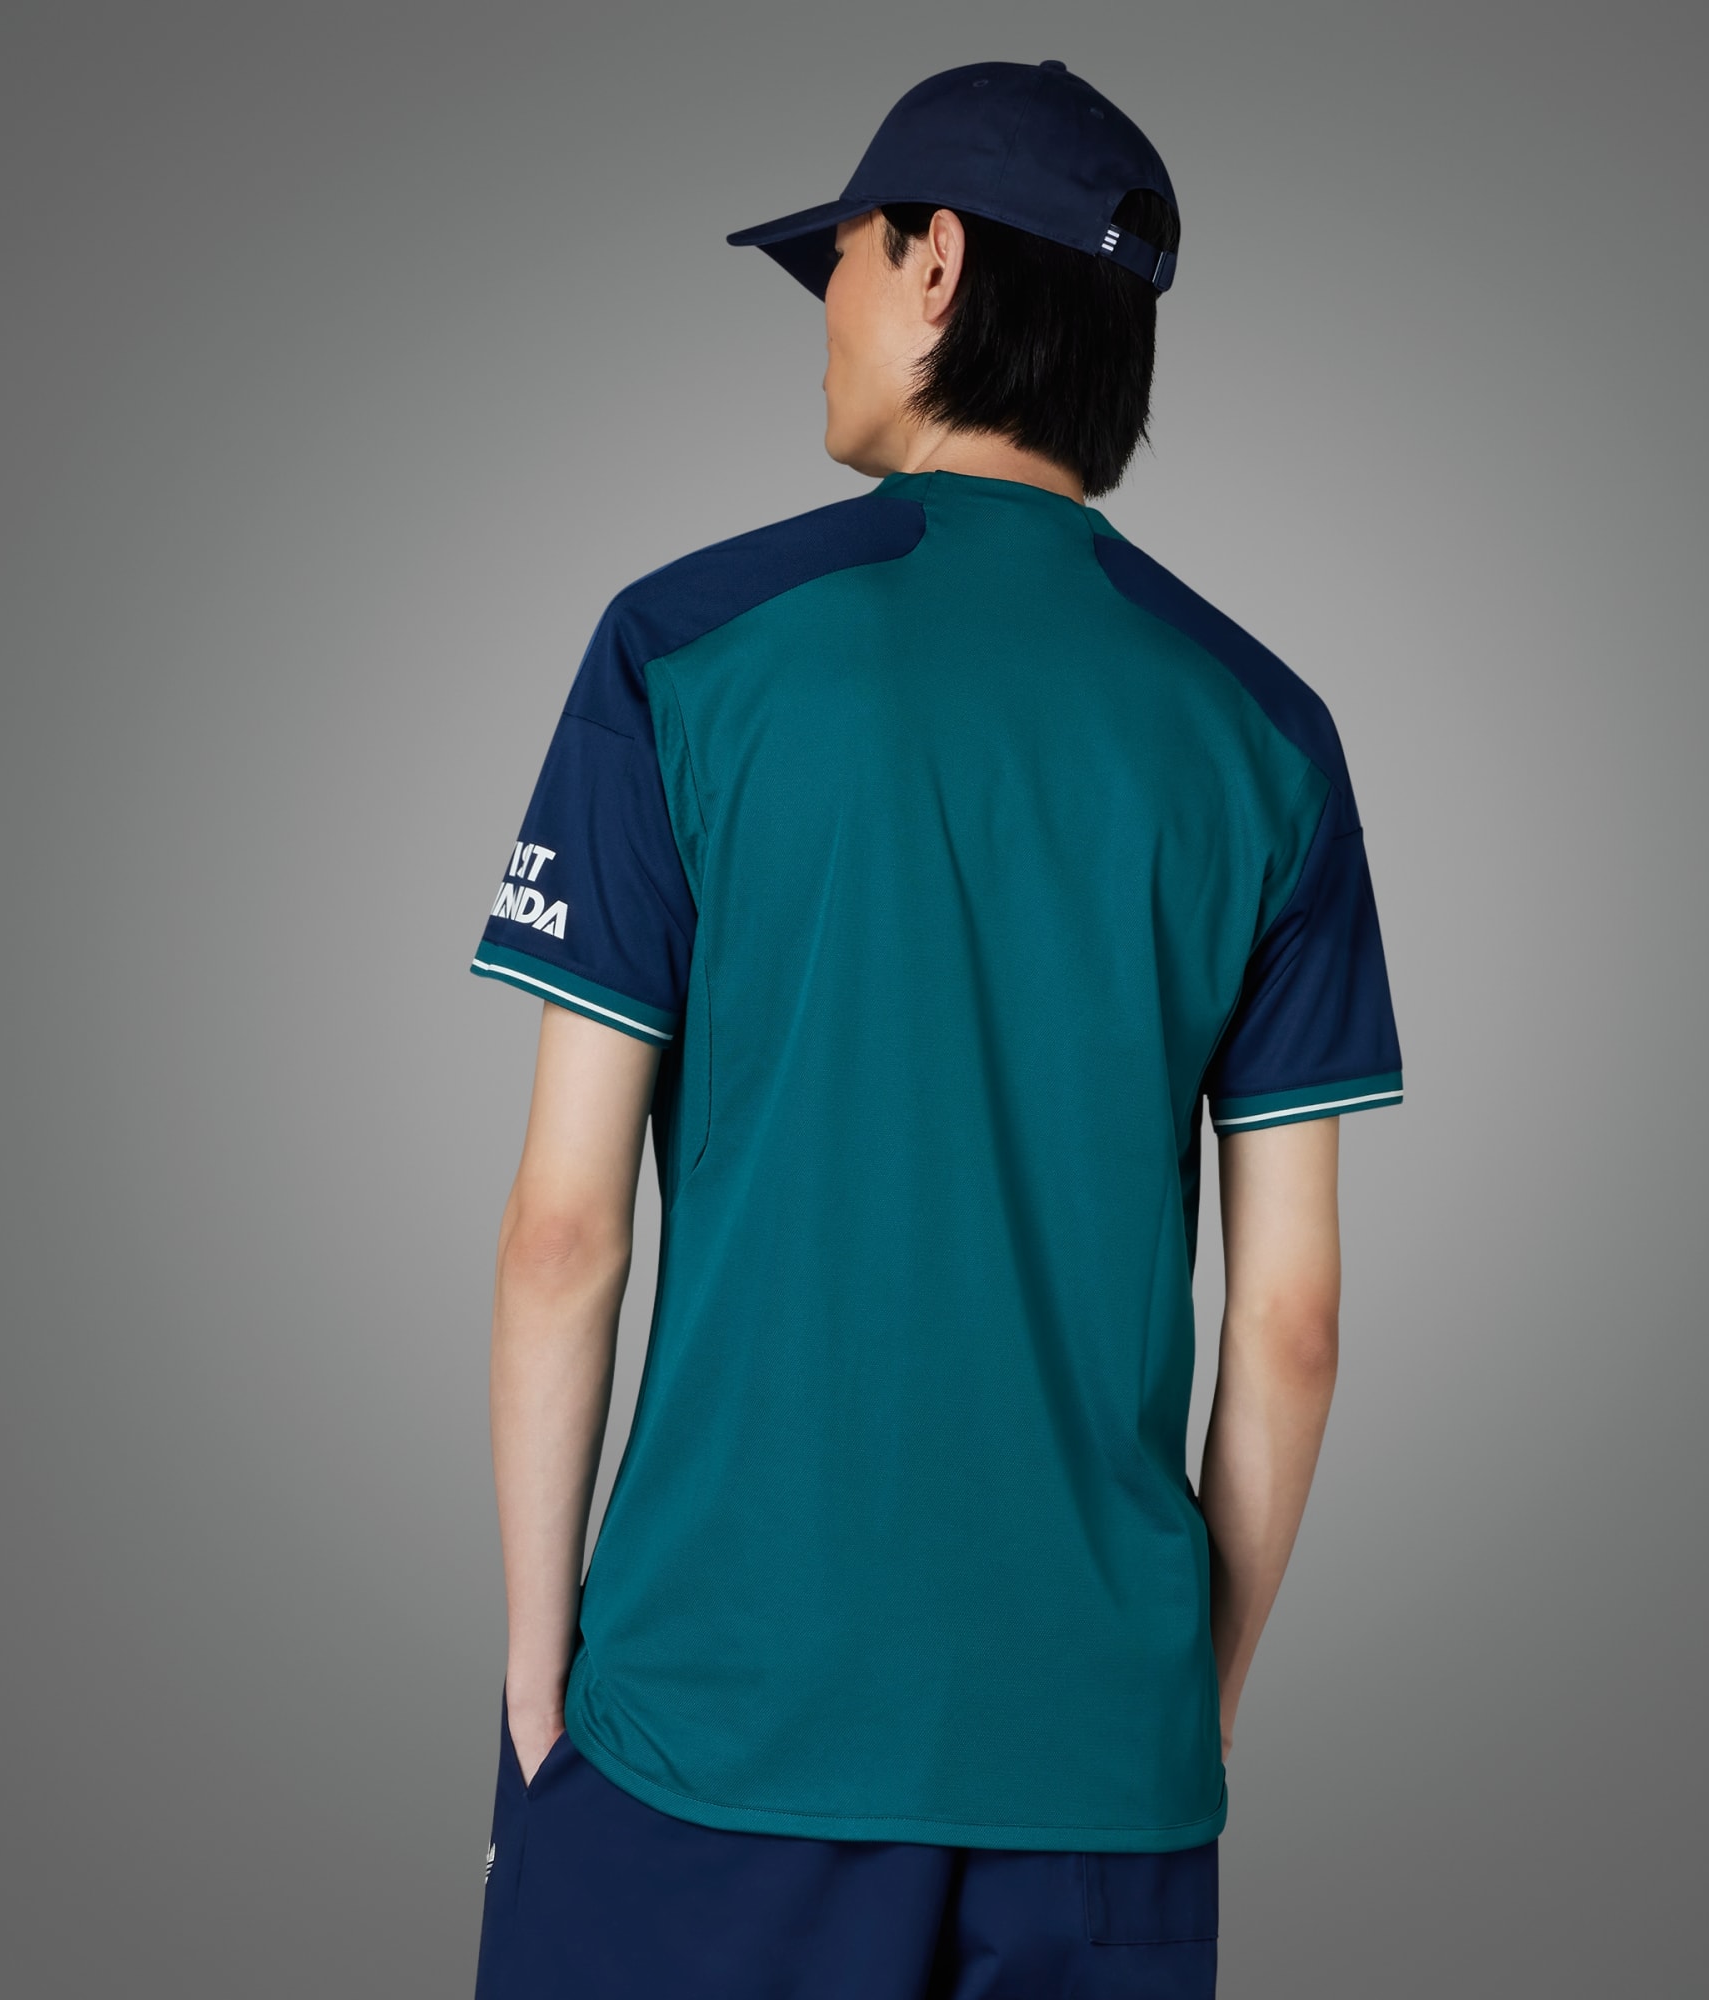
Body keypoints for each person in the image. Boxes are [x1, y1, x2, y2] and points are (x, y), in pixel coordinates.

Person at [468, 56, 1402, 2000]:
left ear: (935, 264)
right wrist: (1185, 1711)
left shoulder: (686, 649)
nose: (819, 308)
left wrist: (536, 1675)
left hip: (713, 1729)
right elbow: (1292, 1325)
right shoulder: (1270, 731)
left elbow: (564, 1232)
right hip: (1100, 1776)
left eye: (837, 257)